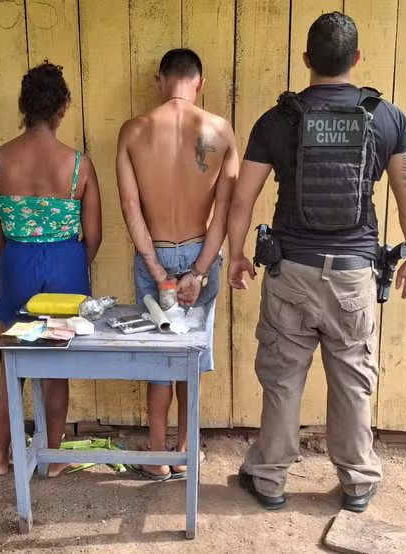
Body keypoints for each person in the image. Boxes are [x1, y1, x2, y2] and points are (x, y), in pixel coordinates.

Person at [227, 12, 406, 512]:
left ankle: (269, 480)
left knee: (282, 380)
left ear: (306, 59)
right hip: (354, 276)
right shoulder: (387, 118)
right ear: (356, 59)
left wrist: (237, 255)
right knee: (354, 382)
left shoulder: (278, 120)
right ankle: (357, 482)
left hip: (291, 273)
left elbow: (241, 199)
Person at [116, 48, 239, 480]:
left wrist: (157, 271)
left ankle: (156, 457)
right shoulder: (220, 130)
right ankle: (186, 451)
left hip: (155, 252)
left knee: (157, 357)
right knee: (190, 356)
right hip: (202, 252)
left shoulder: (133, 131)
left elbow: (130, 206)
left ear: (159, 80)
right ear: (199, 83)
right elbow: (225, 211)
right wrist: (198, 271)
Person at [0, 62, 102, 477]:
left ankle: (0, 457)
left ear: (23, 105)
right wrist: (68, 262)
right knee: (56, 370)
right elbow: (94, 236)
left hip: (16, 263)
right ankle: (52, 458)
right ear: (62, 108)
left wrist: (18, 255)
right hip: (66, 266)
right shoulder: (78, 164)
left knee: (10, 366)